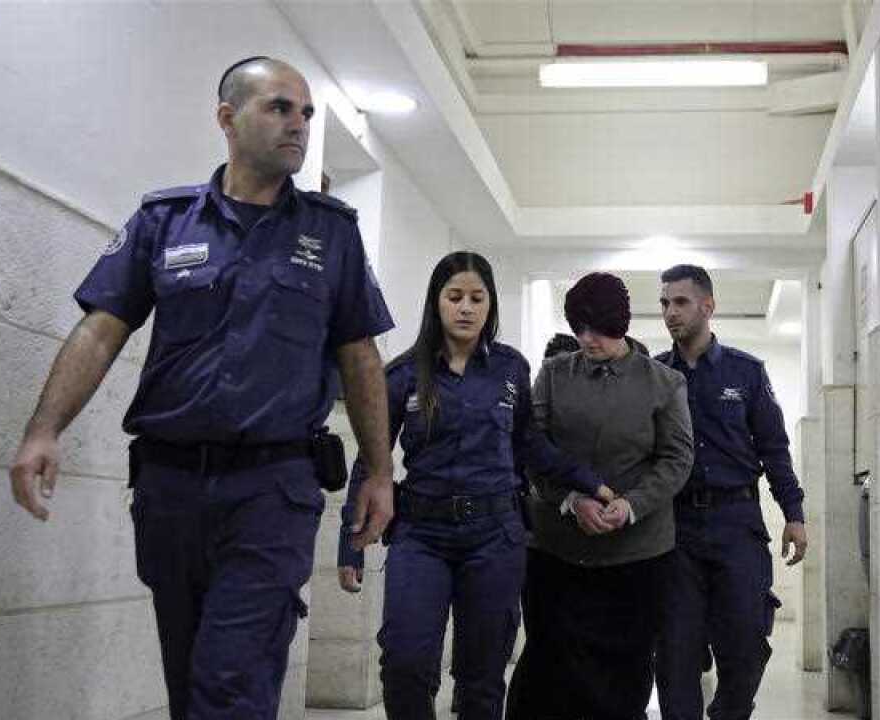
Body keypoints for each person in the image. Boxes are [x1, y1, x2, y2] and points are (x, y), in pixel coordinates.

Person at [7, 56, 398, 720]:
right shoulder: (165, 221)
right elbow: (100, 330)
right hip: (170, 489)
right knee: (190, 683)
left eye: (306, 113)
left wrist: (380, 472)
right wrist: (44, 430)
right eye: (280, 108)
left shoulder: (331, 232)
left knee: (229, 686)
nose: (299, 125)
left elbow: (360, 356)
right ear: (227, 117)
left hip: (272, 489)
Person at [337, 252, 614, 720]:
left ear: (490, 305)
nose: (465, 308)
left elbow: (529, 444)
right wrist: (351, 542)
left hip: (495, 536)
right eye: (455, 297)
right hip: (421, 536)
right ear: (436, 302)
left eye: (476, 298)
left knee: (481, 678)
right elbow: (371, 460)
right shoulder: (403, 374)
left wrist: (589, 482)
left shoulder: (511, 369)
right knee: (404, 663)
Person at [507, 272, 694, 720]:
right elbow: (531, 448)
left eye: (598, 330)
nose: (587, 339)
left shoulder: (664, 382)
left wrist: (631, 506)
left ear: (620, 324)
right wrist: (571, 500)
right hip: (558, 551)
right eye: (579, 329)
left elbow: (676, 459)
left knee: (624, 675)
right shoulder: (554, 375)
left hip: (637, 555)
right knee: (549, 668)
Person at [653, 264, 809, 720]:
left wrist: (794, 513)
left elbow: (774, 448)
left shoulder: (746, 372)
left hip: (736, 525)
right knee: (675, 654)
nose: (670, 312)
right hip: (675, 530)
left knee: (745, 647)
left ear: (708, 306)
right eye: (664, 303)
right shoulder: (655, 375)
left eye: (681, 302)